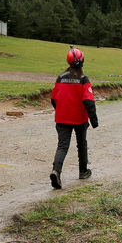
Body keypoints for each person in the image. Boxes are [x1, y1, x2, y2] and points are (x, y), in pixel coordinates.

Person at [48, 46, 98, 187]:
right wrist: (94, 120)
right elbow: (89, 101)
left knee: (62, 146)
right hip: (79, 119)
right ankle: (83, 171)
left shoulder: (60, 78)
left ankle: (56, 171)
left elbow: (53, 98)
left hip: (62, 118)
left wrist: (60, 110)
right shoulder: (83, 79)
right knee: (81, 144)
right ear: (82, 62)